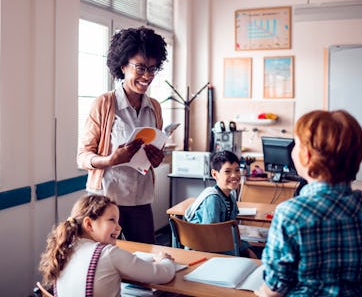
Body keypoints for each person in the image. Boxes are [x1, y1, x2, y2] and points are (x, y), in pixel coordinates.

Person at [256, 110, 362, 297]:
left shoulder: (290, 214)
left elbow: (274, 290)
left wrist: (261, 292)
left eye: (296, 144)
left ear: (306, 155)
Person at [77, 26, 168, 243]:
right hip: (106, 201)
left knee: (144, 258)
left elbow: (153, 154)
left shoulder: (154, 107)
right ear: (123, 66)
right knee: (105, 262)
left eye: (153, 69)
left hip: (140, 201)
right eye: (141, 68)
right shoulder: (105, 104)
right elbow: (82, 156)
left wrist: (156, 159)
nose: (148, 76)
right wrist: (110, 160)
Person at [38, 194, 175, 296]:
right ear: (89, 224)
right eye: (112, 220)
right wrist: (165, 259)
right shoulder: (109, 253)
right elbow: (163, 274)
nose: (119, 227)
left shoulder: (64, 251)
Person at [184, 150, 257, 258]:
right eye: (227, 171)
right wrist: (240, 252)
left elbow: (229, 232)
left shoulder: (230, 198)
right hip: (204, 251)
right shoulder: (212, 200)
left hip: (221, 245)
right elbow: (211, 239)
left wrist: (245, 249)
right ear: (215, 174)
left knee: (251, 251)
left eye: (237, 170)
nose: (234, 175)